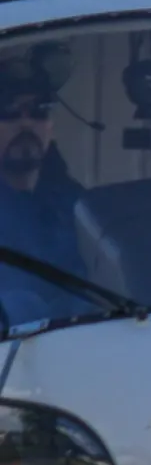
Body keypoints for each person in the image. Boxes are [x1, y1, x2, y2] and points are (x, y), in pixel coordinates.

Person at [0, 40, 92, 324]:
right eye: (9, 113)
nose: (26, 124)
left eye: (39, 111)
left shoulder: (81, 208)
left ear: (51, 127)